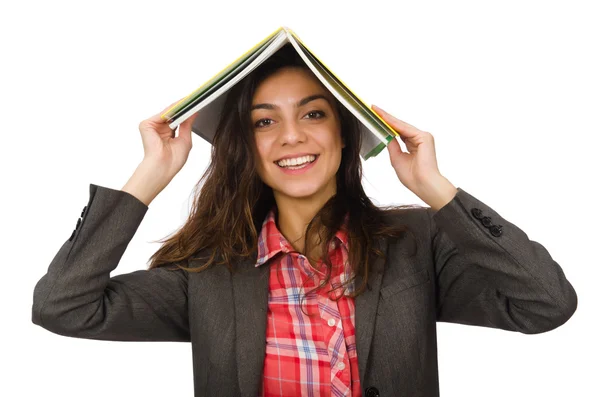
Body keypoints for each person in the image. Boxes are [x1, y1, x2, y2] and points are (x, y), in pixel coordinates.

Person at [31, 43, 577, 397]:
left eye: (314, 113)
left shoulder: (419, 243)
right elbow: (63, 307)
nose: (292, 136)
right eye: (265, 122)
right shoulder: (208, 274)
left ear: (345, 132)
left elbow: (545, 304)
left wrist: (434, 188)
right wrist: (150, 176)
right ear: (246, 146)